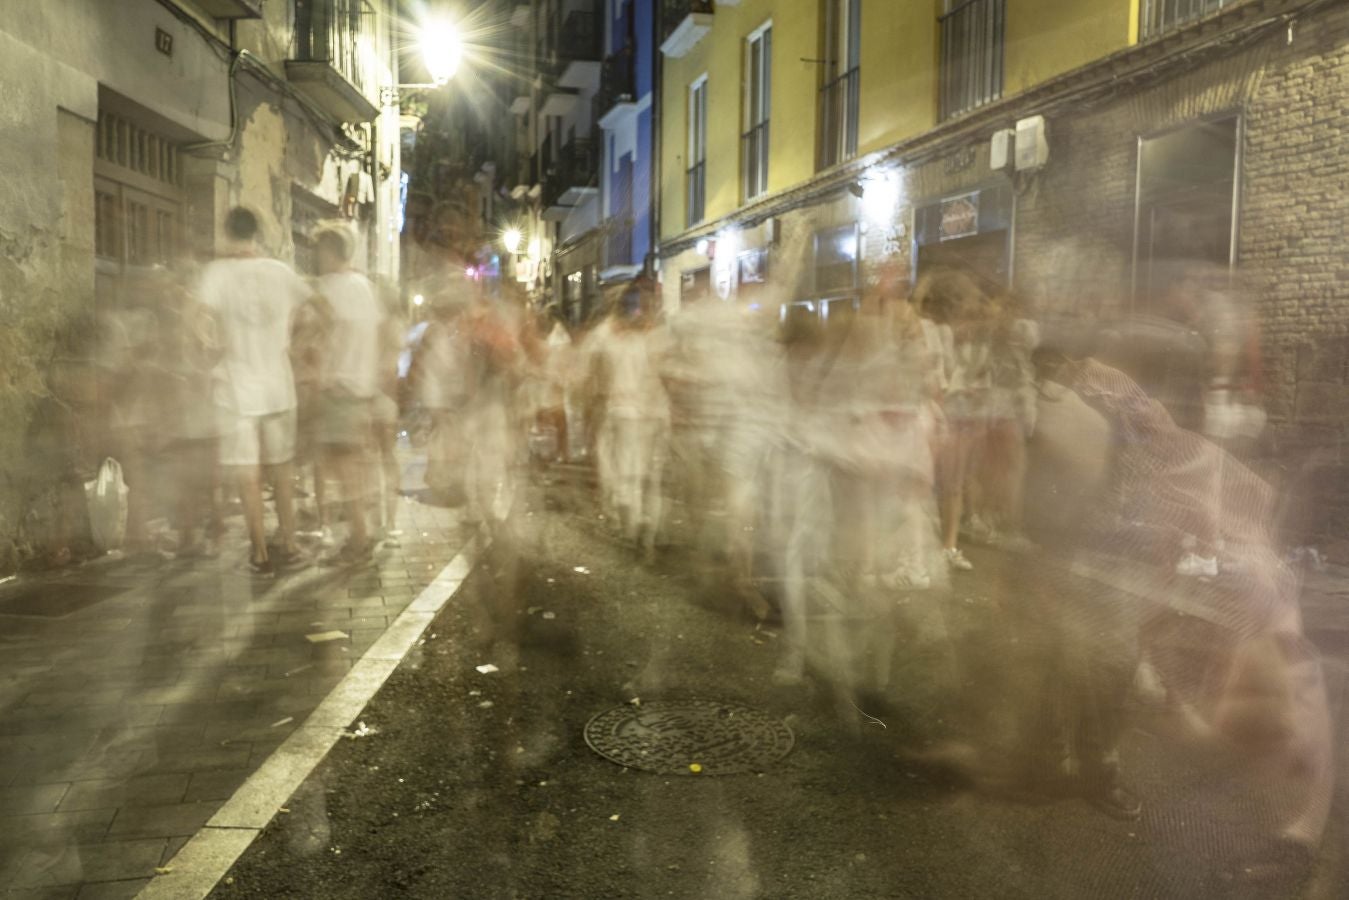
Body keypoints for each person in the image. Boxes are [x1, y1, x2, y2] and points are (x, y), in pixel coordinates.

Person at [198, 207, 310, 574]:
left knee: (248, 474)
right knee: (281, 470)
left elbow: (190, 317)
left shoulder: (217, 274)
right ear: (258, 232)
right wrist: (295, 343)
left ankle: (260, 552)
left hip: (237, 389)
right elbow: (319, 309)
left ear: (227, 233)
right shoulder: (280, 272)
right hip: (278, 384)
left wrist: (210, 346)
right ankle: (290, 543)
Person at [310, 225, 386, 564]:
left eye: (319, 251)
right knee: (350, 464)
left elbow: (316, 336)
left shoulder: (328, 289)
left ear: (329, 252)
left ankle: (359, 537)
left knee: (344, 466)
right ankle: (362, 531)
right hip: (361, 388)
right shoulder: (365, 288)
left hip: (338, 388)